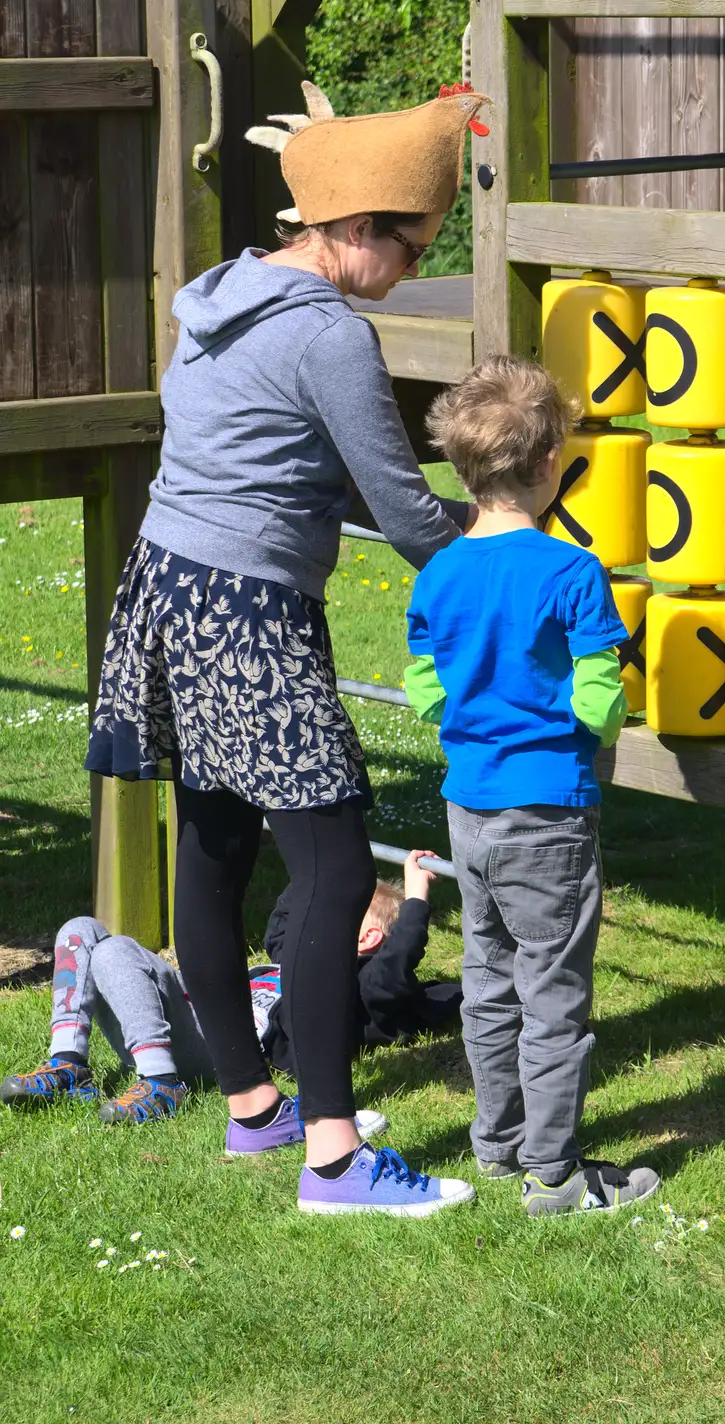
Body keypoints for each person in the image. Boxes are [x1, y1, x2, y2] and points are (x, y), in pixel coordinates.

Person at [84, 81, 488, 1217]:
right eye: (412, 249)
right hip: (247, 611)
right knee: (333, 870)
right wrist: (504, 550)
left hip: (168, 586)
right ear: (357, 231)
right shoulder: (330, 336)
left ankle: (255, 1111)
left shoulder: (224, 291)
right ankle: (335, 1158)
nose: (414, 268)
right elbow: (407, 511)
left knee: (212, 848)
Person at [403, 356, 662, 1217]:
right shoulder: (570, 573)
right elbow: (597, 696)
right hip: (548, 808)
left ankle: (495, 1144)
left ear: (463, 467)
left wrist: (477, 709)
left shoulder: (438, 573)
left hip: (467, 807)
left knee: (487, 975)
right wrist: (597, 724)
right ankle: (553, 1176)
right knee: (552, 994)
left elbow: (426, 687)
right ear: (552, 463)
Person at [0, 916, 386, 1146]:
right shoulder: (280, 963)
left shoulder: (351, 983)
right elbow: (296, 900)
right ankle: (68, 1064)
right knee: (79, 928)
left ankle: (161, 1081)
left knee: (114, 950)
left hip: (214, 1045)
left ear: (368, 939)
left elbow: (394, 980)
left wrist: (415, 900)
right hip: (177, 1009)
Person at [261, 848, 462, 1071]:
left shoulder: (362, 986)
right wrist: (321, 866)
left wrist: (416, 897)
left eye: (328, 914)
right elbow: (283, 922)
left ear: (366, 938)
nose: (314, 917)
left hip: (265, 1046)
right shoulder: (298, 955)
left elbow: (399, 954)